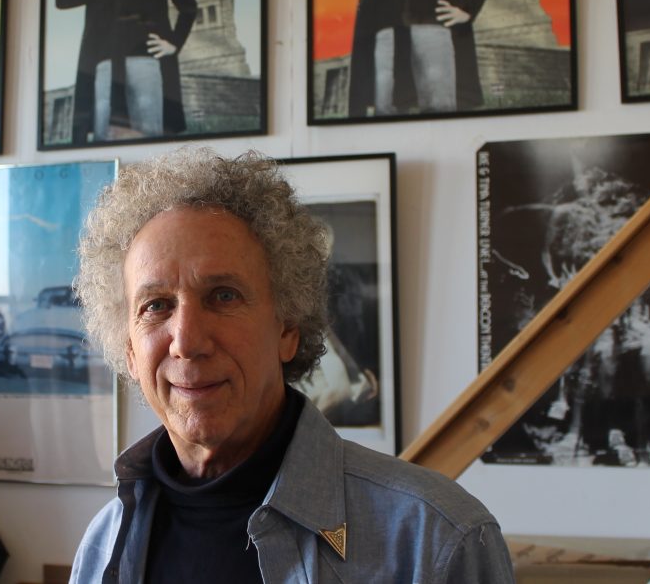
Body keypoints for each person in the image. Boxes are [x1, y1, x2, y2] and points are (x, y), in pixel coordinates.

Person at [70, 148, 515, 583]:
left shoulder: (433, 541)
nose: (187, 341)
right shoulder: (103, 546)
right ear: (128, 348)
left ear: (288, 328)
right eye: (156, 305)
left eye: (223, 295)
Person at [322, 0, 493, 117]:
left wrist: (468, 11)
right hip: (389, 33)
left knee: (439, 106)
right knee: (386, 107)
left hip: (433, 28)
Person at [54, 0, 198, 144]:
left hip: (146, 62)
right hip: (107, 66)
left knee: (149, 132)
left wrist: (174, 43)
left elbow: (188, 6)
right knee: (106, 131)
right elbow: (64, 1)